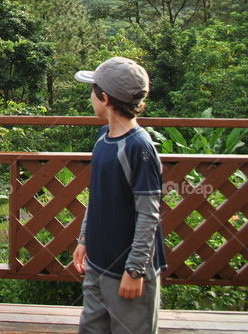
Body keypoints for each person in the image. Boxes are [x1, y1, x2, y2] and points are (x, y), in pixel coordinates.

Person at [72, 56, 166, 334]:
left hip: (128, 272)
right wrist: (85, 238)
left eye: (93, 91)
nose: (91, 97)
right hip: (98, 264)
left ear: (104, 98)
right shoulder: (103, 138)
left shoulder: (140, 148)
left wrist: (135, 270)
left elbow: (149, 214)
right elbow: (98, 196)